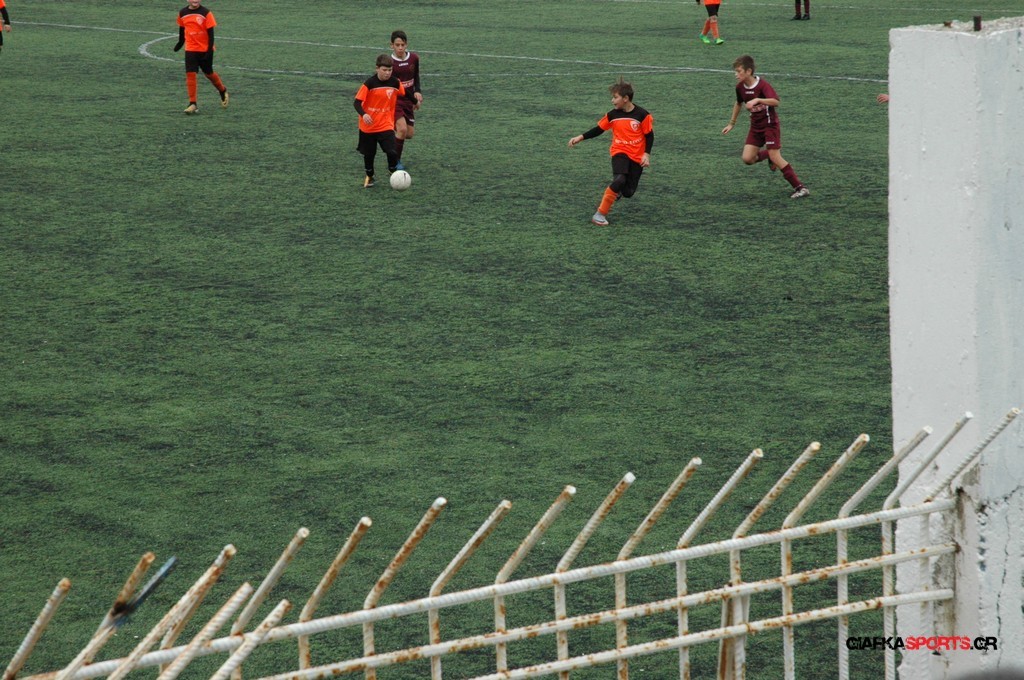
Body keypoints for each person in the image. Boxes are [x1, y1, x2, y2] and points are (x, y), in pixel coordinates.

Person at [568, 78, 654, 226]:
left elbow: (649, 136)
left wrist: (646, 154)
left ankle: (617, 191)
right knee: (619, 180)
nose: (612, 100)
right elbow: (599, 129)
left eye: (615, 97)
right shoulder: (613, 115)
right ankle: (599, 214)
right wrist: (581, 137)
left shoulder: (642, 115)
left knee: (628, 192)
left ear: (625, 99)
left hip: (636, 157)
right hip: (619, 152)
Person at [722, 55, 809, 199]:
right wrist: (731, 123)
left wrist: (758, 99)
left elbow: (776, 102)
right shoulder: (740, 88)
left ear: (748, 71)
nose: (736, 75)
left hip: (770, 125)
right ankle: (769, 154)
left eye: (738, 71)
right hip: (755, 127)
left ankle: (800, 188)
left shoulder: (763, 85)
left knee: (776, 156)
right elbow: (738, 103)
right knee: (747, 159)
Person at [354, 54, 405, 188]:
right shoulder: (369, 84)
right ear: (377, 68)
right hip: (368, 127)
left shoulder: (395, 82)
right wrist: (364, 114)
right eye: (384, 70)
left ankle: (392, 170)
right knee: (369, 155)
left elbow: (405, 93)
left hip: (385, 125)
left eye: (390, 70)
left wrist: (415, 101)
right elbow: (357, 103)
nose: (387, 73)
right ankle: (370, 176)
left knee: (392, 151)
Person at [173, 0, 229, 115]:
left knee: (209, 73)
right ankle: (192, 103)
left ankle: (222, 90)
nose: (195, 0)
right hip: (190, 48)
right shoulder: (182, 13)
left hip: (205, 49)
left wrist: (209, 51)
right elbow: (182, 30)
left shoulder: (206, 13)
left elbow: (211, 35)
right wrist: (180, 43)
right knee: (190, 73)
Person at [389, 30, 422, 170]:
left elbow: (416, 76)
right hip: (395, 101)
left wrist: (418, 91)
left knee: (408, 134)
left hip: (408, 101)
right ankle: (395, 162)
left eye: (402, 45)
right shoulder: (389, 63)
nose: (400, 48)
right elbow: (395, 86)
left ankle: (389, 134)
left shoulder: (414, 58)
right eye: (397, 45)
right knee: (402, 130)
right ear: (391, 45)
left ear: (406, 44)